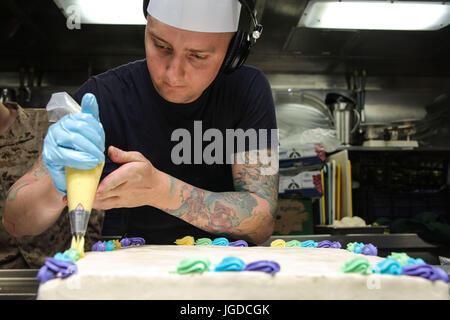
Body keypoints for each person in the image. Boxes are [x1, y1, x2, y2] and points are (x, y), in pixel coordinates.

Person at [3, 0, 279, 245]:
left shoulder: (246, 89)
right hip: (128, 265)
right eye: (161, 46)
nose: (173, 74)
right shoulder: (101, 97)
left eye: (198, 57)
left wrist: (161, 191)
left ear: (233, 51)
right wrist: (55, 183)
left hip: (226, 269)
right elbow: (16, 224)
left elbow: (261, 222)